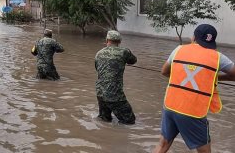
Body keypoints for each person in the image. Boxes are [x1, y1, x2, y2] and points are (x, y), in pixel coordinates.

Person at [153, 24, 235, 153]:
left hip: (171, 106)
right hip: (193, 111)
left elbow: (164, 72)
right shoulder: (218, 57)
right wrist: (214, 77)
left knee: (162, 145)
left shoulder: (178, 49)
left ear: (193, 37)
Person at [94, 30, 137, 124]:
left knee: (104, 120)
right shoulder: (124, 52)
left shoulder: (98, 53)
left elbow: (98, 69)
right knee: (130, 121)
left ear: (106, 40)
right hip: (115, 95)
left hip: (100, 93)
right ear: (119, 41)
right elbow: (133, 61)